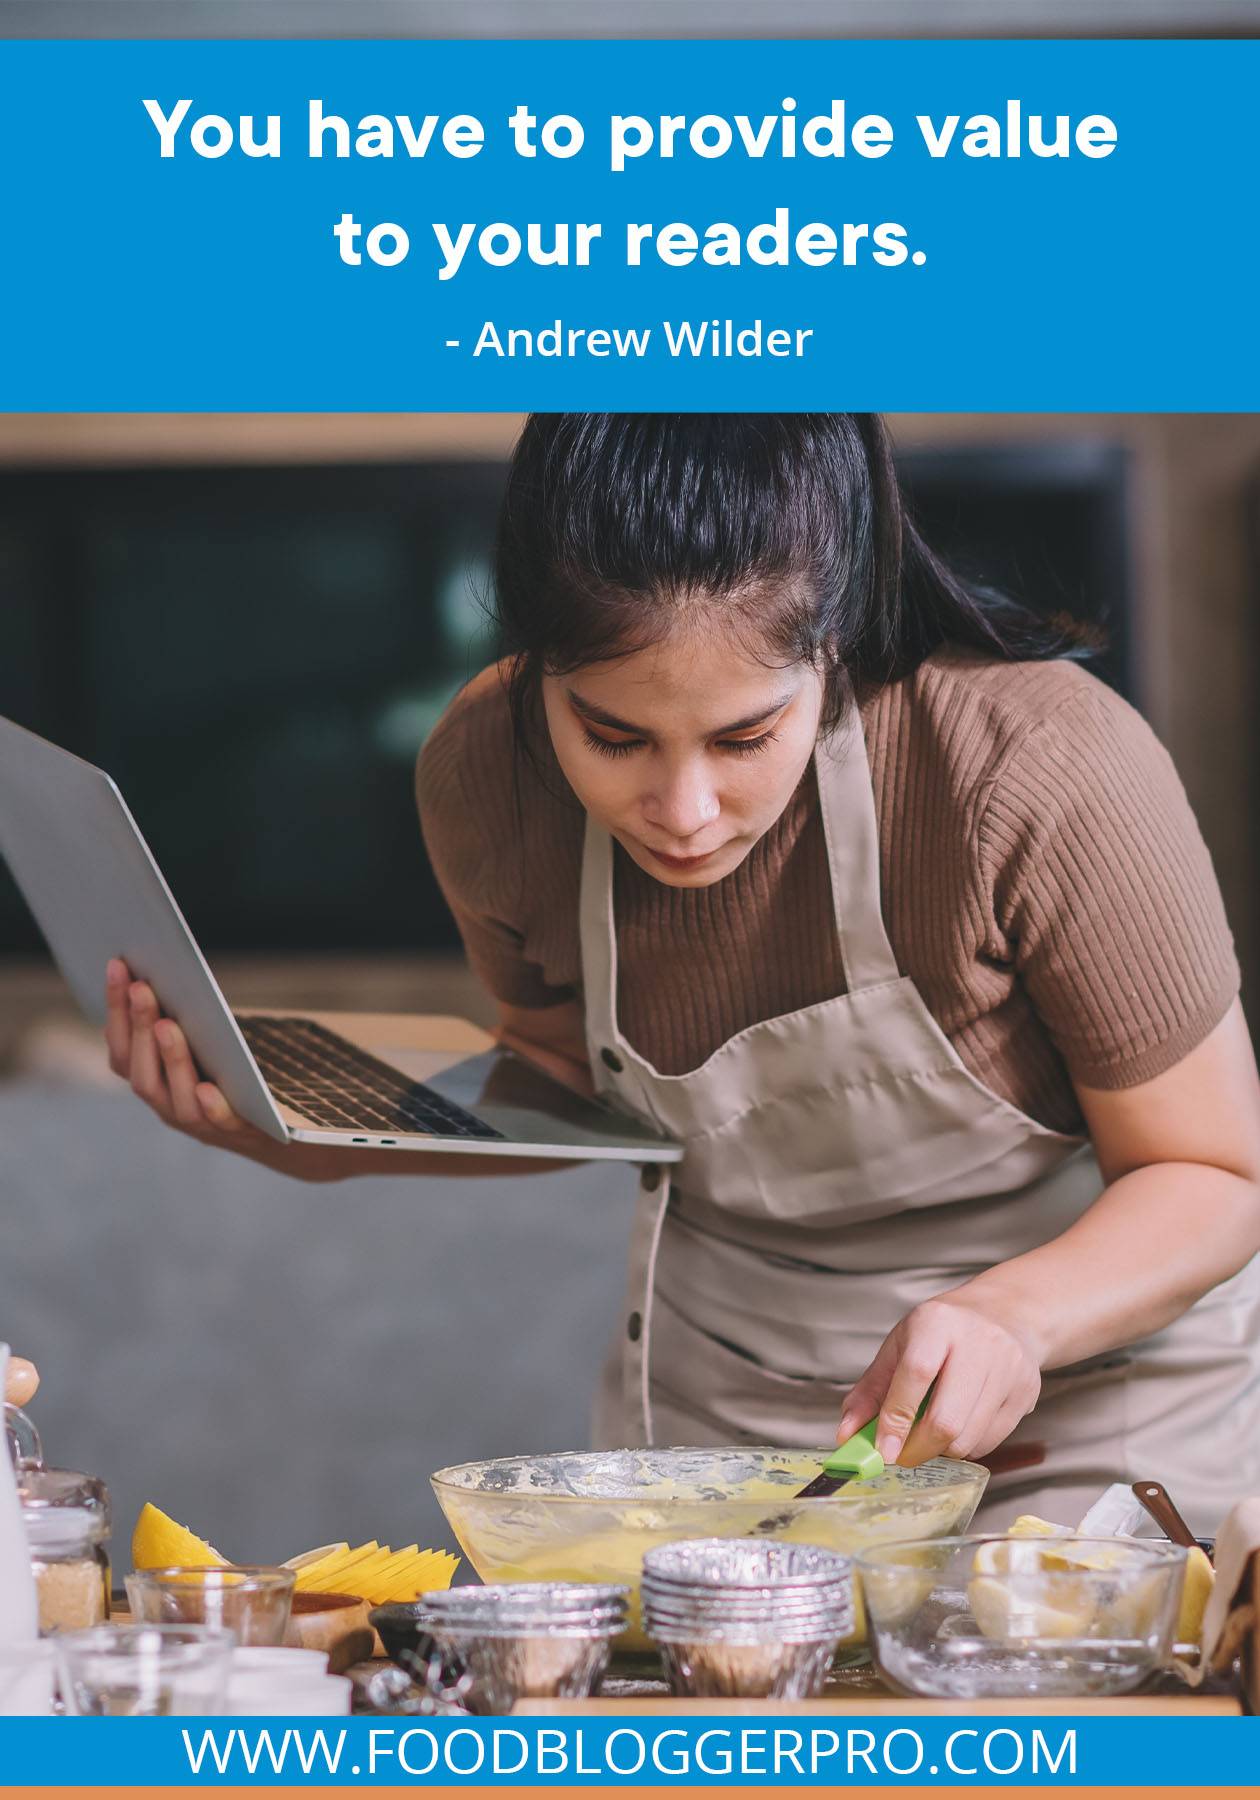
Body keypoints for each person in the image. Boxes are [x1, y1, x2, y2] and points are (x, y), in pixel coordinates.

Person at [104, 414, 1260, 1531]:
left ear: (837, 639)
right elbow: (569, 1072)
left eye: (745, 737)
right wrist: (320, 1136)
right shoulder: (487, 775)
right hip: (728, 1428)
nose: (683, 814)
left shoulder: (1037, 765)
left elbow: (1215, 1172)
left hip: (1078, 1411)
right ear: (532, 661)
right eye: (612, 737)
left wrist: (1015, 1313)